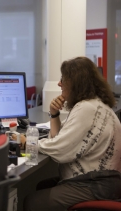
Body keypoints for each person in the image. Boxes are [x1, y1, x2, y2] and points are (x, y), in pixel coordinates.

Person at [23, 57, 121, 211]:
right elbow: (60, 140)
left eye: (63, 79)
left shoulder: (87, 108)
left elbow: (59, 150)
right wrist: (54, 114)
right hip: (99, 180)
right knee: (41, 185)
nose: (59, 83)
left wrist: (26, 142)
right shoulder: (93, 104)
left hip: (96, 185)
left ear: (75, 82)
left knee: (33, 202)